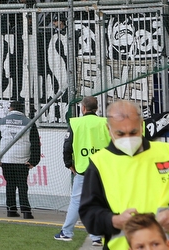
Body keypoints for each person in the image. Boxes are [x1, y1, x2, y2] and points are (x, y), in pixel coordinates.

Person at [80, 100, 169, 250]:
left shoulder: (168, 153)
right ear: (108, 129)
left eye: (133, 131)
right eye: (120, 133)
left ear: (142, 125)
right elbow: (89, 213)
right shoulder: (99, 163)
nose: (128, 138)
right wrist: (114, 220)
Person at [55, 96, 110, 244]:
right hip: (103, 169)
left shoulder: (76, 123)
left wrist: (68, 163)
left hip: (83, 169)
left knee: (76, 201)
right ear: (97, 108)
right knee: (99, 203)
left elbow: (67, 146)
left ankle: (67, 232)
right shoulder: (105, 122)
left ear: (83, 108)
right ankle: (96, 237)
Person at [0, 99, 41, 219]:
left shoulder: (2, 122)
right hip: (22, 160)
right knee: (22, 185)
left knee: (10, 184)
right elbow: (35, 142)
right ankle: (26, 211)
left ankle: (11, 209)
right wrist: (34, 160)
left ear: (11, 108)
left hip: (6, 159)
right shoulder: (29, 122)